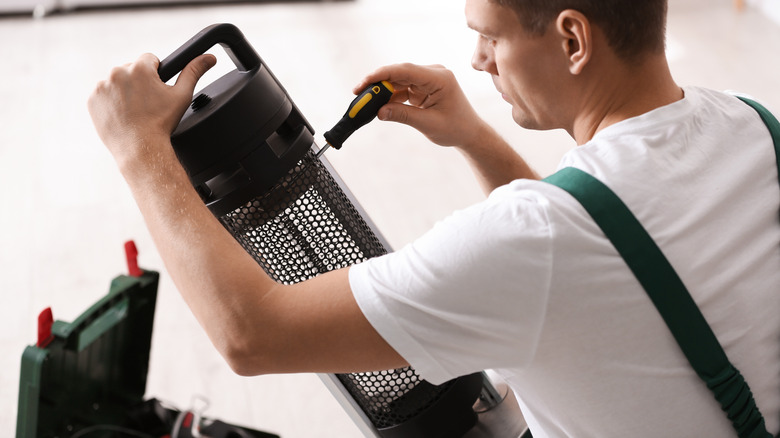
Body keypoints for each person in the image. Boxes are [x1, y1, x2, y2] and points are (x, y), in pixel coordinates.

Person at [88, 0, 780, 436]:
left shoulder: (533, 239)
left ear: (573, 39)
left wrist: (139, 149)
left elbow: (253, 335)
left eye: (491, 38)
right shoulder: (751, 124)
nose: (477, 61)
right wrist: (473, 136)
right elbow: (607, 258)